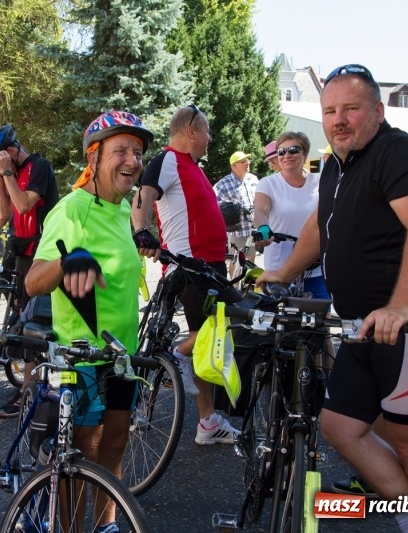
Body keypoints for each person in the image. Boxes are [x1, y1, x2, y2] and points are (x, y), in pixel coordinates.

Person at [257, 64, 408, 533]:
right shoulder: (335, 164)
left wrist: (402, 304)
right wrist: (283, 273)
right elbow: (317, 227)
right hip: (359, 326)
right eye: (330, 111)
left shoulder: (400, 153)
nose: (339, 119)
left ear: (377, 109)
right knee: (341, 426)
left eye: (351, 108)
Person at [26, 110, 153, 532]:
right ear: (93, 158)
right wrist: (67, 260)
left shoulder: (121, 212)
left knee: (115, 443)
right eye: (121, 151)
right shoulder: (72, 210)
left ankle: (105, 526)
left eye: (136, 152)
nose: (132, 161)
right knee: (83, 452)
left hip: (121, 355)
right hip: (81, 356)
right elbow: (32, 283)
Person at [131, 104, 241, 446]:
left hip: (209, 266)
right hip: (190, 267)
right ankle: (176, 358)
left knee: (208, 341)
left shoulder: (192, 167)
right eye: (206, 131)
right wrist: (141, 232)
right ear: (191, 131)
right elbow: (143, 195)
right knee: (218, 328)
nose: (210, 139)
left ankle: (207, 421)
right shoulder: (168, 160)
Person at [0, 124, 59, 418]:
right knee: (23, 317)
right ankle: (31, 385)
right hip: (21, 255)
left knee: (34, 323)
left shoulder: (39, 166)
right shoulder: (10, 173)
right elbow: (5, 209)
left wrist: (8, 174)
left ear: (11, 151)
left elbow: (25, 205)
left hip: (42, 255)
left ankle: (29, 392)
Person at [252, 131, 329, 300]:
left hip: (314, 268)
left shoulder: (319, 181)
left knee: (318, 319)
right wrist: (263, 228)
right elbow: (260, 210)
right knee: (281, 323)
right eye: (281, 151)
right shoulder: (269, 183)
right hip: (278, 269)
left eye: (293, 150)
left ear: (305, 153)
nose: (287, 155)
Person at [213, 150, 258, 274]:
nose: (247, 163)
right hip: (237, 231)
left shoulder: (253, 179)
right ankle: (234, 287)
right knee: (236, 260)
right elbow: (212, 202)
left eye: (248, 160)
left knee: (251, 259)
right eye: (243, 161)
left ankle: (248, 289)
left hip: (253, 228)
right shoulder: (224, 183)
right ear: (234, 166)